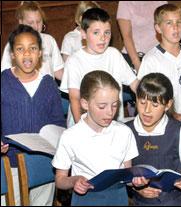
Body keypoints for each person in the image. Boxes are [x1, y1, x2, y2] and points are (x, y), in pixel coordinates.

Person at [52, 70, 147, 206]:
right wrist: (74, 180)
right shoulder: (71, 136)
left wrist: (136, 180)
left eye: (115, 105)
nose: (110, 112)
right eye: (102, 106)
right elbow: (60, 180)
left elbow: (127, 173)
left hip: (118, 197)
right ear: (85, 104)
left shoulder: (124, 132)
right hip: (86, 199)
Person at [1, 24, 66, 206]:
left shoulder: (49, 85)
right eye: (20, 49)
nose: (27, 54)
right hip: (10, 162)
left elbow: (58, 122)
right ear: (12, 54)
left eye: (32, 48)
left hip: (43, 162)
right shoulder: (3, 83)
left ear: (40, 54)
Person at [125, 73, 181, 206]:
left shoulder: (179, 130)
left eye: (155, 105)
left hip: (174, 201)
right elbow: (122, 173)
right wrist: (136, 187)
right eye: (142, 102)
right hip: (140, 202)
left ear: (167, 104)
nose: (147, 110)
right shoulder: (126, 131)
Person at [60, 8, 138, 128]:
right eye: (96, 33)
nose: (103, 38)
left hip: (113, 125)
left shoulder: (114, 55)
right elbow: (75, 99)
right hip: (83, 125)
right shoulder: (74, 61)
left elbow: (135, 84)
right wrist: (83, 130)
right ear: (83, 33)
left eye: (107, 32)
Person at [137, 3, 181, 123]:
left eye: (179, 22)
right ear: (158, 28)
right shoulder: (151, 59)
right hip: (160, 122)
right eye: (169, 23)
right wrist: (174, 115)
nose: (175, 27)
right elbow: (145, 96)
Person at [116, 1, 167, 115]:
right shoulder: (125, 3)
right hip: (134, 56)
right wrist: (139, 65)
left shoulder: (161, 1)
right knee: (144, 95)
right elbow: (127, 36)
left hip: (157, 55)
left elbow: (166, 29)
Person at [1, 1, 64, 80]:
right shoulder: (13, 44)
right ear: (21, 22)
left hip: (47, 88)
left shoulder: (49, 40)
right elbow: (5, 73)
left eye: (38, 22)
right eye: (30, 23)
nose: (36, 26)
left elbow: (58, 71)